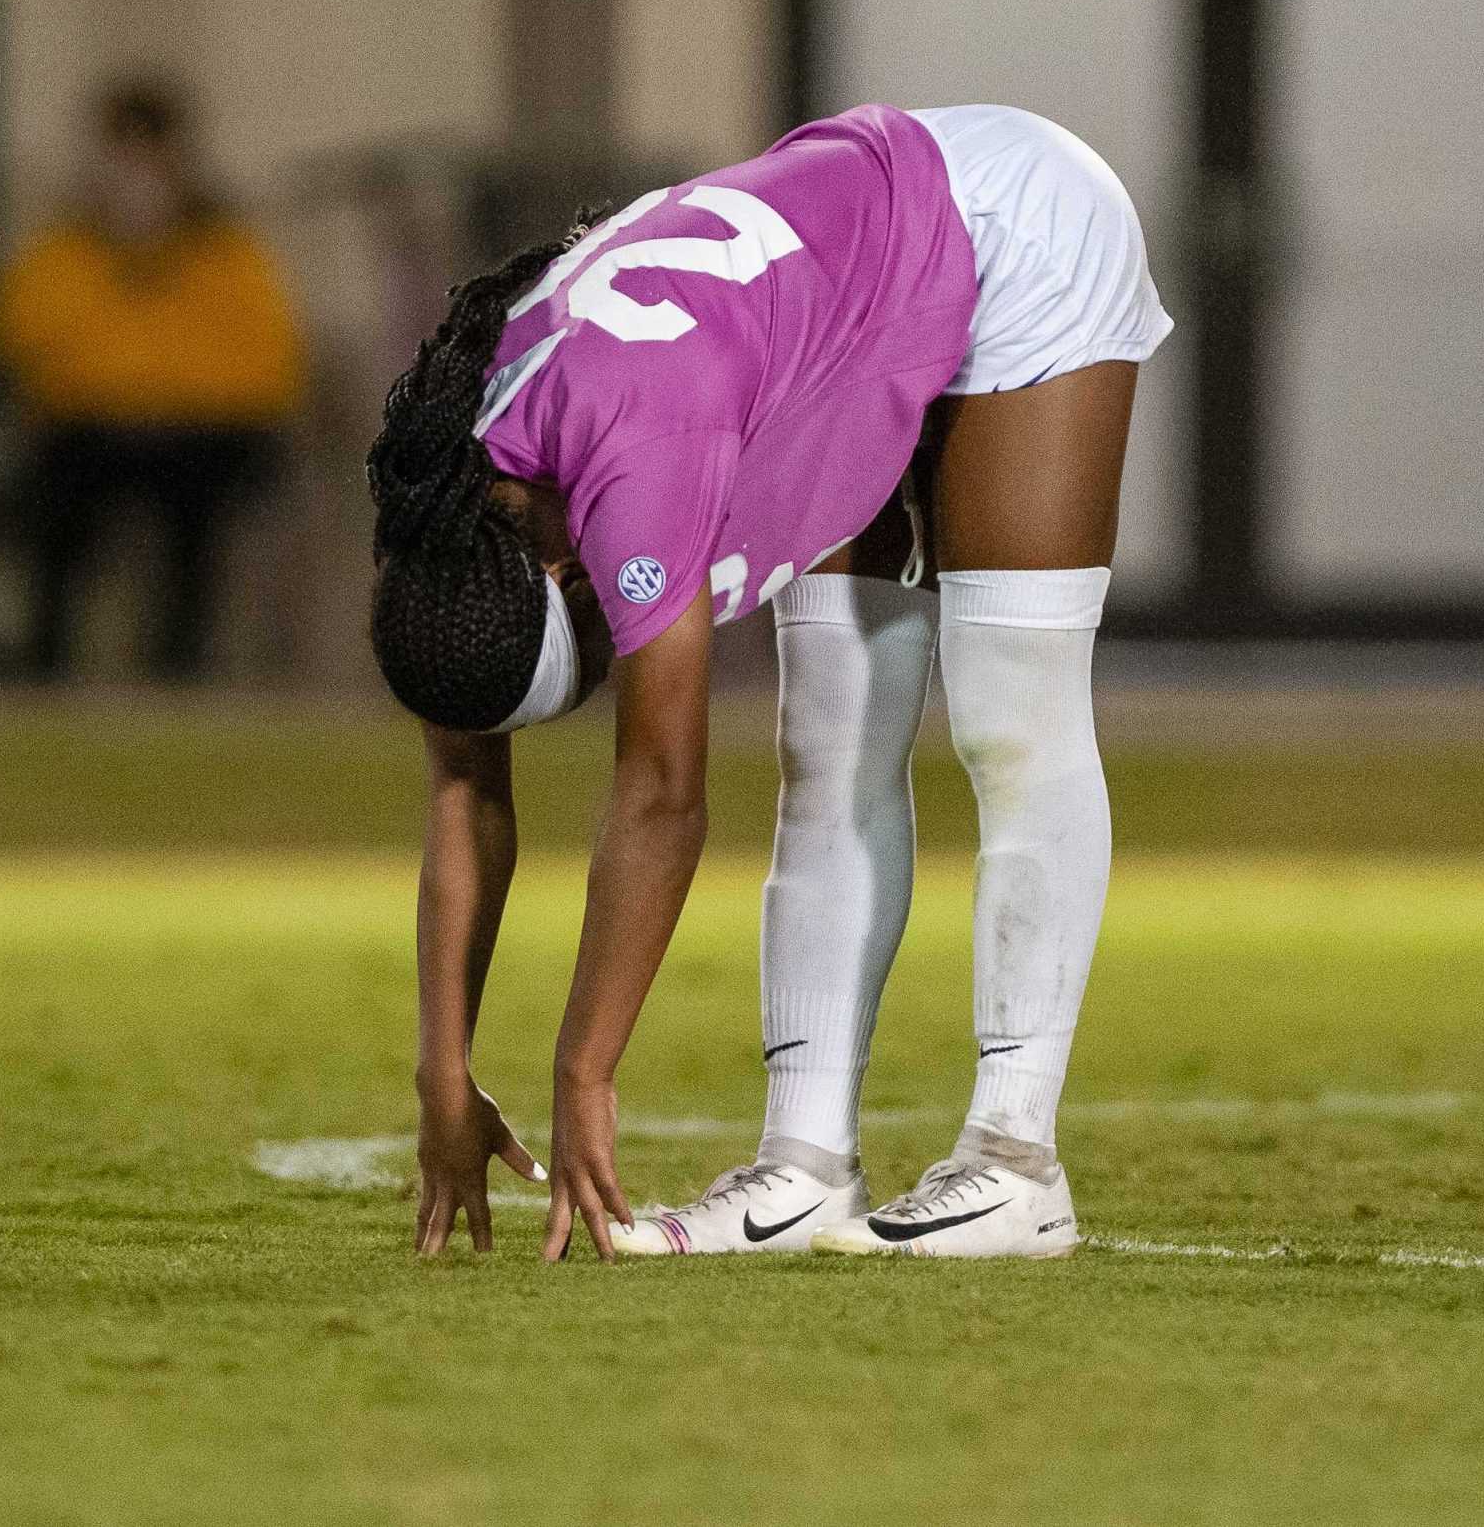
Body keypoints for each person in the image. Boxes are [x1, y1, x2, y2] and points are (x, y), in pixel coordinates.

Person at [373, 104, 1169, 1261]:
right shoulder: (443, 485)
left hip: (1011, 227)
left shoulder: (625, 452)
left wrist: (582, 1067)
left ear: (564, 575)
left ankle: (1016, 1160)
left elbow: (662, 789)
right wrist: (442, 1077)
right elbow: (463, 783)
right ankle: (805, 1167)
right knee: (831, 726)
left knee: (1010, 708)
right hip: (837, 294)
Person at [0, 80, 303, 681]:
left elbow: (271, 371)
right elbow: (21, 352)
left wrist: (166, 396)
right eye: (122, 155)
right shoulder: (58, 256)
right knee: (57, 489)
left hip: (201, 440)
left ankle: (180, 669)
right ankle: (44, 670)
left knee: (198, 499)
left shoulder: (230, 256)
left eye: (151, 155)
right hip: (89, 435)